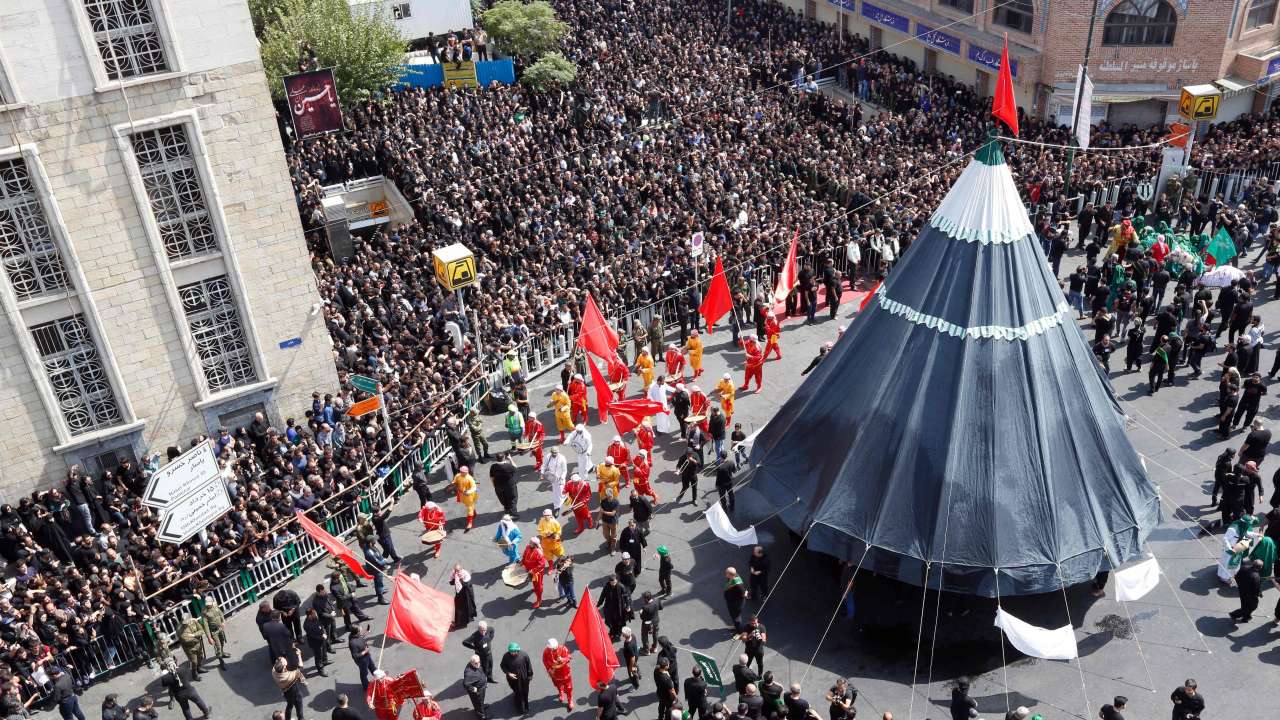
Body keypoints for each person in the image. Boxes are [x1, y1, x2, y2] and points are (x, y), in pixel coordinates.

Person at [500, 642, 534, 715]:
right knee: (518, 693)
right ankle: (520, 708)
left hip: (524, 678)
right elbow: (503, 666)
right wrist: (509, 673)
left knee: (525, 692)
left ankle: (526, 706)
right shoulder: (506, 656)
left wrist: (530, 675)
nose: (512, 653)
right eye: (510, 652)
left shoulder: (524, 655)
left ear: (517, 650)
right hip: (513, 680)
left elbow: (529, 666)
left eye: (513, 651)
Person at [200, 596, 230, 670]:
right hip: (213, 631)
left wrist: (223, 621)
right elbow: (206, 626)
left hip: (220, 628)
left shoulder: (215, 606)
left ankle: (222, 653)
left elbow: (220, 613)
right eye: (207, 604)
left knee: (222, 641)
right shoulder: (204, 612)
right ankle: (221, 660)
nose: (209, 605)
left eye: (210, 603)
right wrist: (209, 637)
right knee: (218, 646)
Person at [544, 638, 574, 711]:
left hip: (565, 673)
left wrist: (563, 659)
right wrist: (549, 669)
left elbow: (569, 657)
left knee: (569, 688)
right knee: (558, 684)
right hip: (555, 674)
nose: (554, 650)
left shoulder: (563, 648)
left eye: (555, 648)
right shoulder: (546, 652)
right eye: (552, 649)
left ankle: (570, 700)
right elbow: (544, 661)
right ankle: (561, 692)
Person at [273, 656, 307, 720]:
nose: (285, 666)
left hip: (286, 693)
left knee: (289, 705)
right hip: (295, 693)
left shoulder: (274, 673)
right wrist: (299, 655)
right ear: (283, 669)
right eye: (284, 666)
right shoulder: (289, 677)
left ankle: (287, 718)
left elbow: (278, 662)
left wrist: (281, 661)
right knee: (299, 708)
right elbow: (300, 668)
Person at [597, 575, 631, 640]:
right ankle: (613, 631)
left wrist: (628, 605)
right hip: (609, 607)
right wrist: (598, 605)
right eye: (612, 582)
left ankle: (617, 633)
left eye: (615, 582)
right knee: (609, 621)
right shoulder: (607, 587)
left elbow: (626, 597)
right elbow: (602, 596)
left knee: (619, 621)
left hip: (619, 607)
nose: (614, 584)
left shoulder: (621, 587)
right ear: (610, 582)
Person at [521, 540, 550, 609]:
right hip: (529, 570)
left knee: (538, 586)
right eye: (530, 542)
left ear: (534, 544)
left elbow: (542, 565)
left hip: (537, 573)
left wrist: (533, 571)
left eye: (531, 542)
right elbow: (525, 556)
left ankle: (539, 599)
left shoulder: (539, 552)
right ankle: (536, 589)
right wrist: (522, 562)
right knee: (533, 583)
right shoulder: (528, 547)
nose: (529, 543)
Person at [490, 452, 520, 517]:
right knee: (512, 498)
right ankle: (514, 514)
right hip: (510, 486)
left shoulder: (493, 467)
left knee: (503, 498)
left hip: (498, 486)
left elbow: (492, 477)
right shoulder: (508, 466)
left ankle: (507, 509)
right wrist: (510, 458)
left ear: (496, 459)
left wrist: (494, 485)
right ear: (504, 458)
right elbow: (515, 468)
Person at [303, 607, 330, 676]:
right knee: (318, 656)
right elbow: (312, 635)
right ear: (310, 615)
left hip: (322, 639)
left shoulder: (316, 618)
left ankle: (325, 661)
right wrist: (322, 637)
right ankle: (320, 670)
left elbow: (322, 626)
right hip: (315, 643)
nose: (316, 614)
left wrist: (324, 633)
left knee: (324, 650)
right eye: (314, 613)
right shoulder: (307, 625)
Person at [348, 625, 377, 692]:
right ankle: (366, 687)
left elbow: (361, 636)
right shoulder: (352, 643)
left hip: (367, 656)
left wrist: (366, 632)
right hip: (362, 661)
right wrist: (364, 652)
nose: (361, 631)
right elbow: (355, 655)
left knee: (373, 668)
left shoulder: (355, 635)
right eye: (360, 630)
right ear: (357, 632)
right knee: (364, 674)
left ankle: (378, 678)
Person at [464, 655, 490, 720]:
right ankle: (482, 717)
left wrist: (485, 679)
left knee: (480, 702)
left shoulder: (477, 665)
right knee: (478, 703)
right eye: (476, 663)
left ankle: (481, 707)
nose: (478, 664)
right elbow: (465, 684)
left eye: (479, 662)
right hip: (477, 691)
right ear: (471, 662)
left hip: (482, 688)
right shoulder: (469, 673)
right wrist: (473, 689)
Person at [453, 466, 479, 531]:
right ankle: (474, 511)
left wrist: (468, 492)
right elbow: (454, 482)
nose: (461, 473)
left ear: (466, 472)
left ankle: (470, 523)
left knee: (470, 507)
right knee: (468, 505)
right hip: (462, 494)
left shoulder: (470, 478)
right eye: (461, 471)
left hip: (469, 496)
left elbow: (474, 487)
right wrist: (453, 486)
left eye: (463, 472)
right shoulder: (458, 475)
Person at [544, 446, 569, 512]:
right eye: (553, 453)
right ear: (551, 452)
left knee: (561, 491)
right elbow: (544, 465)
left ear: (558, 452)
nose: (554, 454)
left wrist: (562, 478)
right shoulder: (547, 457)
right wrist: (542, 473)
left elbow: (565, 470)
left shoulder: (562, 458)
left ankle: (565, 497)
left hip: (560, 478)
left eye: (555, 453)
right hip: (552, 478)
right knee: (555, 492)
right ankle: (557, 507)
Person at [724, 567, 749, 632]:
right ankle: (736, 626)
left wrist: (746, 593)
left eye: (726, 573)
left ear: (730, 575)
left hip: (736, 604)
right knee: (733, 615)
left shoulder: (738, 585)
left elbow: (744, 594)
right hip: (731, 601)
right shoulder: (733, 577)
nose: (725, 574)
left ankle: (738, 630)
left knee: (736, 617)